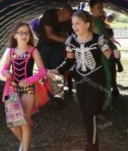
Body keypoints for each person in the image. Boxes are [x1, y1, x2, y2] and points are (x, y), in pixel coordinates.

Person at [48, 10, 119, 151]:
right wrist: (57, 70)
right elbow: (68, 61)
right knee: (86, 114)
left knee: (89, 113)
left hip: (97, 82)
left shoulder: (99, 40)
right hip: (80, 83)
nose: (74, 26)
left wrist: (116, 56)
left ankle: (93, 146)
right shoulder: (71, 41)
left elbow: (111, 58)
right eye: (73, 24)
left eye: (78, 23)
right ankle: (90, 143)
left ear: (87, 24)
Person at [0, 21, 46, 151]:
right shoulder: (10, 52)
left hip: (28, 89)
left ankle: (24, 148)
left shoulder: (33, 50)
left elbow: (42, 71)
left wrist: (30, 80)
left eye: (26, 32)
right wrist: (6, 73)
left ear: (30, 35)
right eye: (21, 32)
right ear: (15, 35)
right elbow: (3, 69)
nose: (24, 35)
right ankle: (23, 143)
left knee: (25, 121)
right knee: (13, 123)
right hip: (12, 89)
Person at [36, 4, 73, 94]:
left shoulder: (68, 19)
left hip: (57, 47)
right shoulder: (50, 15)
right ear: (61, 12)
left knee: (57, 68)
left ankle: (57, 94)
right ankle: (46, 91)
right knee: (44, 69)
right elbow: (49, 35)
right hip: (44, 44)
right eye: (64, 17)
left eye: (68, 18)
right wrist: (65, 40)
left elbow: (71, 33)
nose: (66, 19)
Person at [89, 0, 121, 99]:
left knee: (110, 72)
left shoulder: (99, 21)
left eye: (102, 7)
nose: (101, 10)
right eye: (98, 8)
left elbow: (105, 35)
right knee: (106, 75)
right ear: (92, 9)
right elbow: (98, 36)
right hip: (99, 52)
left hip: (106, 49)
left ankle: (111, 92)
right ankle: (105, 99)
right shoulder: (91, 21)